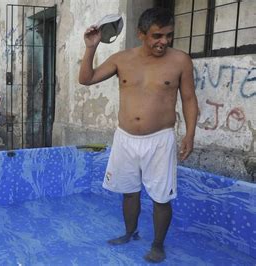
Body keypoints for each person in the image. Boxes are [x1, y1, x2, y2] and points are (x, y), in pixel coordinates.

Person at [78, 7, 198, 263]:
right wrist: (91, 47)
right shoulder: (122, 59)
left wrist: (190, 134)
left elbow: (188, 99)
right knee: (129, 192)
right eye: (157, 35)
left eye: (168, 35)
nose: (163, 41)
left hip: (161, 140)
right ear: (141, 34)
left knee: (161, 197)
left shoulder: (180, 61)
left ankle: (157, 244)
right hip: (125, 138)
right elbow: (86, 79)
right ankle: (130, 232)